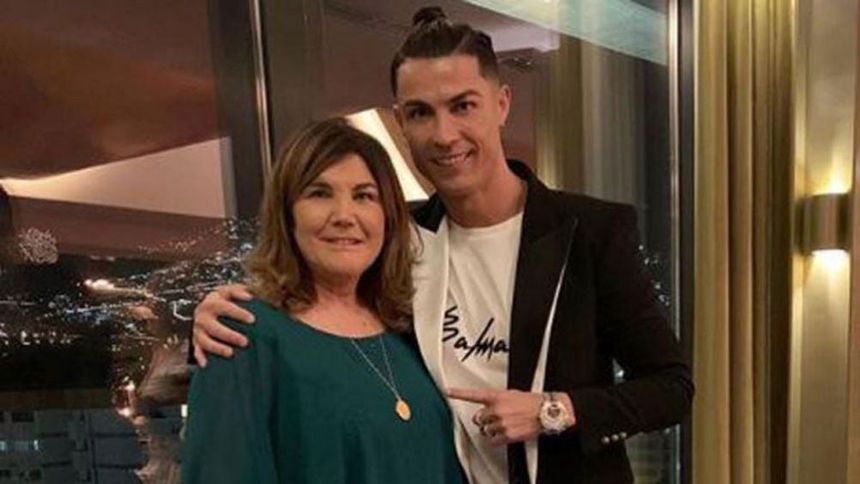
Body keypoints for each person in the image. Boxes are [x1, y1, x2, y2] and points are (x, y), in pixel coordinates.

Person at [192, 7, 694, 484]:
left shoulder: (590, 231)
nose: (444, 134)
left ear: (502, 104)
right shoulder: (398, 240)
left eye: (463, 106)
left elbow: (671, 387)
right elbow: (325, 312)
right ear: (401, 122)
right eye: (420, 113)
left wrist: (553, 410)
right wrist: (216, 313)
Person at [182, 118, 464, 483]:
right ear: (287, 214)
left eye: (364, 196)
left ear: (388, 216)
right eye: (320, 193)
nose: (344, 216)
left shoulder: (410, 326)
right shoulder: (242, 332)